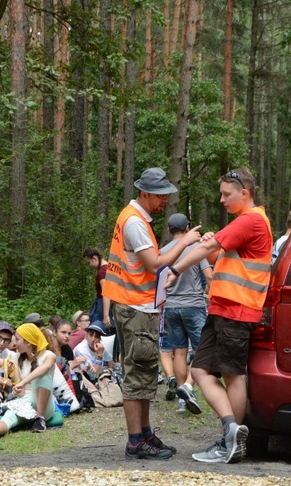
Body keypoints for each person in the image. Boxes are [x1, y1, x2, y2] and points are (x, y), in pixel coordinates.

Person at [166, 167, 273, 464]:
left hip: (236, 310)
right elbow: (220, 256)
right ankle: (230, 430)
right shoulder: (246, 222)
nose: (222, 200)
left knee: (233, 374)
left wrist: (174, 269)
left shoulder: (251, 220)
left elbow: (211, 248)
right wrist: (210, 246)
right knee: (200, 371)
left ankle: (230, 443)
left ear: (245, 193)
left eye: (227, 195)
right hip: (223, 308)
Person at [101, 166, 201, 461]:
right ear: (144, 193)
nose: (164, 202)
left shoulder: (135, 218)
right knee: (137, 373)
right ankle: (135, 441)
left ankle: (144, 433)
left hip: (137, 305)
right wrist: (184, 242)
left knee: (146, 370)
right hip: (136, 307)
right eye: (160, 196)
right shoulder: (134, 222)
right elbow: (155, 263)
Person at [159, 213, 214, 415]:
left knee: (179, 351)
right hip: (194, 304)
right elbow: (208, 276)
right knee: (202, 348)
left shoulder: (162, 251)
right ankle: (188, 386)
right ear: (188, 228)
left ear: (169, 229)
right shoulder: (196, 248)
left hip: (171, 307)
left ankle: (182, 401)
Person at [0, 323, 57, 442]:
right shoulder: (16, 358)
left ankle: (40, 419)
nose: (15, 343)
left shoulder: (48, 355)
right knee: (10, 416)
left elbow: (45, 367)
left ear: (28, 342)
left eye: (17, 339)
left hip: (43, 404)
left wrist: (23, 383)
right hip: (25, 401)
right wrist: (17, 388)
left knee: (41, 375)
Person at [82, 247, 113, 328]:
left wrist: (105, 315)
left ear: (94, 258)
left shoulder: (102, 272)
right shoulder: (110, 267)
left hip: (103, 306)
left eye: (88, 263)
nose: (89, 266)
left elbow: (106, 293)